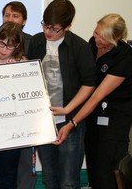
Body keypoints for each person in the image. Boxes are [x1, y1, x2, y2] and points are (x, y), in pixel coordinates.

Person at [27, 0, 96, 189]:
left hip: (70, 121)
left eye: (54, 28)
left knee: (68, 181)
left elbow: (89, 84)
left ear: (67, 27)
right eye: (45, 25)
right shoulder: (37, 42)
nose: (48, 31)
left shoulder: (80, 47)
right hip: (43, 121)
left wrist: (68, 110)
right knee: (49, 178)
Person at [56, 13, 132, 189]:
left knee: (106, 172)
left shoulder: (125, 57)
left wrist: (72, 122)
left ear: (117, 38)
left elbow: (97, 95)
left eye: (102, 37)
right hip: (91, 118)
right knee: (93, 168)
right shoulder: (92, 44)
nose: (96, 38)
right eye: (96, 32)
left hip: (114, 121)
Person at [0, 1, 37, 189]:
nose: (4, 49)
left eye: (10, 46)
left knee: (8, 176)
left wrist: (16, 71)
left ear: (17, 46)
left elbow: (30, 95)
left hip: (12, 130)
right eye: (1, 44)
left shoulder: (23, 63)